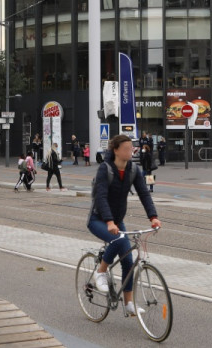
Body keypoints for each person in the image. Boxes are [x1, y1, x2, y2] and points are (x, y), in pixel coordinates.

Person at [88, 134, 162, 316]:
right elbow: (101, 197)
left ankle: (129, 304)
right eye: (127, 149)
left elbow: (144, 194)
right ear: (116, 150)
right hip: (98, 219)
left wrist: (153, 217)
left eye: (132, 148)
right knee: (119, 240)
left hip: (117, 220)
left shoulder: (133, 170)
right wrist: (109, 221)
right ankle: (101, 272)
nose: (131, 151)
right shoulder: (105, 169)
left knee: (128, 261)